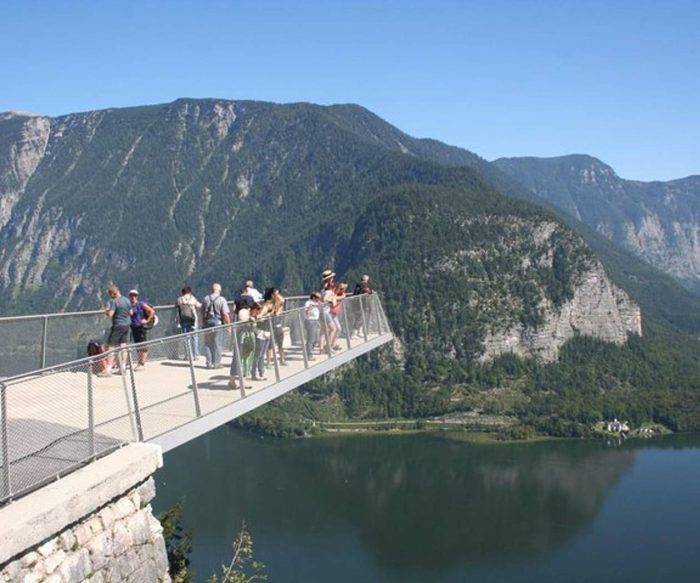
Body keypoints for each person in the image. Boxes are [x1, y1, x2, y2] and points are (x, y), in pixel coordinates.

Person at [98, 286, 132, 377]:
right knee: (123, 346)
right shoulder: (127, 300)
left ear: (113, 293)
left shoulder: (114, 301)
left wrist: (106, 311)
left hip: (118, 325)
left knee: (111, 347)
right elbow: (131, 313)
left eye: (110, 295)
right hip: (127, 325)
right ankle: (123, 368)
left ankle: (108, 369)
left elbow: (110, 314)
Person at [201, 283, 230, 369]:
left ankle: (209, 363)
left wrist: (202, 322)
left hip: (207, 322)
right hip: (217, 322)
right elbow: (225, 314)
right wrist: (228, 325)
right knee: (217, 343)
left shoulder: (206, 298)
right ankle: (217, 363)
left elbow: (202, 311)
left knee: (208, 343)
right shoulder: (221, 300)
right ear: (219, 290)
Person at [128, 289, 155, 370]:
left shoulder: (140, 304)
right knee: (138, 344)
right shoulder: (129, 305)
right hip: (133, 327)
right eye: (131, 295)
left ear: (137, 296)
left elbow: (152, 311)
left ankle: (142, 363)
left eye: (135, 295)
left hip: (141, 327)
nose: (133, 297)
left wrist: (147, 320)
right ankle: (139, 362)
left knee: (143, 344)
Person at [176, 286, 202, 357]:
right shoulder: (192, 298)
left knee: (186, 337)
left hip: (183, 320)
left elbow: (176, 306)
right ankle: (195, 355)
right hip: (193, 320)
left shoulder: (179, 299)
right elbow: (199, 305)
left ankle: (187, 355)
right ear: (190, 292)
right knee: (195, 337)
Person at [265, 287, 286, 366]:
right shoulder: (268, 304)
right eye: (275, 294)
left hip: (278, 325)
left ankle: (282, 359)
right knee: (269, 344)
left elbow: (281, 306)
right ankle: (268, 361)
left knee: (280, 344)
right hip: (270, 325)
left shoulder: (279, 303)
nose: (277, 296)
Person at [319, 269, 340, 352]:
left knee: (323, 330)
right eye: (332, 277)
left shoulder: (322, 289)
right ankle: (328, 346)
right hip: (325, 312)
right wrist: (330, 300)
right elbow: (324, 299)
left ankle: (321, 348)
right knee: (333, 329)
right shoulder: (328, 290)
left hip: (321, 312)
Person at [352, 273, 374, 338]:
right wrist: (370, 292)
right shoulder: (363, 285)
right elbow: (366, 291)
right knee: (359, 318)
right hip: (360, 304)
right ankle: (354, 333)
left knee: (360, 318)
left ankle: (359, 332)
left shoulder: (358, 285)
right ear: (366, 280)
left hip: (356, 304)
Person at [304, 292, 322, 360]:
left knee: (316, 339)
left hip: (316, 321)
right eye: (318, 298)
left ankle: (309, 350)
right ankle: (309, 354)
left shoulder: (317, 303)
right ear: (314, 297)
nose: (319, 299)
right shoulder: (308, 303)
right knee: (311, 338)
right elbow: (306, 313)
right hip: (310, 321)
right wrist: (310, 309)